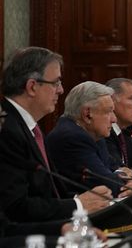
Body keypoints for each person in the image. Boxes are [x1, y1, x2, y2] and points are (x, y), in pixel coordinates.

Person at [0, 47, 110, 222]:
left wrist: (85, 200)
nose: (61, 90)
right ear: (32, 86)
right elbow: (15, 207)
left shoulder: (29, 127)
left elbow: (48, 192)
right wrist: (78, 205)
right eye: (56, 82)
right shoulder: (7, 131)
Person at [46, 81, 132, 197]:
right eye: (108, 111)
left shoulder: (93, 134)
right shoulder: (72, 137)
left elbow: (115, 167)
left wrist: (125, 177)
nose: (114, 119)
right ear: (87, 114)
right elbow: (109, 185)